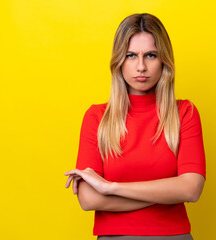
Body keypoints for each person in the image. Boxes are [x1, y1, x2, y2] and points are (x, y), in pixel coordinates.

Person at [64, 13, 206, 240]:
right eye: (131, 56)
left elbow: (191, 189)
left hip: (173, 236)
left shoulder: (184, 113)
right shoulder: (96, 117)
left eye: (150, 55)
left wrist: (110, 188)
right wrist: (168, 191)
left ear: (164, 61)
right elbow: (89, 200)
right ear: (119, 61)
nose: (141, 66)